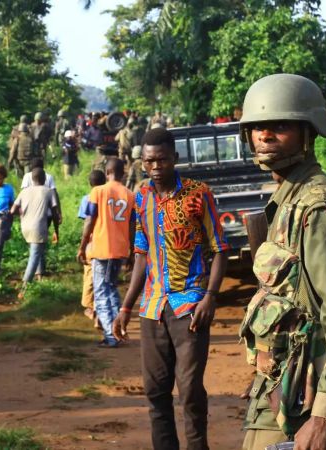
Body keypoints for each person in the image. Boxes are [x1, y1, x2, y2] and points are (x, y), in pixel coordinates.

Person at [234, 74, 326, 450]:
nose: (265, 135)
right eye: (257, 127)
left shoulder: (316, 208)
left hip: (305, 396)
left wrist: (324, 418)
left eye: (280, 125)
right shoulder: (288, 199)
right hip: (281, 386)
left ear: (308, 132)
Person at [112, 127, 229, 450]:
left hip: (189, 305)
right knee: (155, 391)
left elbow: (220, 248)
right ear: (143, 163)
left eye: (162, 160)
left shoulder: (198, 194)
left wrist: (210, 296)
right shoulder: (141, 198)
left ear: (174, 158)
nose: (156, 167)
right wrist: (125, 307)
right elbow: (141, 255)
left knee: (190, 390)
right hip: (152, 308)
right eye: (149, 162)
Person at [78, 159, 135, 348]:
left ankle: (111, 336)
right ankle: (119, 330)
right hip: (120, 249)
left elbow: (90, 220)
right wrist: (133, 250)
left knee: (101, 292)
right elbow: (133, 225)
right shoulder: (129, 195)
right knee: (111, 289)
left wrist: (83, 244)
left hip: (101, 248)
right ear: (123, 173)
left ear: (107, 171)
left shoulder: (98, 191)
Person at [11, 168, 60, 298]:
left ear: (32, 179)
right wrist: (56, 230)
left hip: (25, 226)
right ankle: (24, 288)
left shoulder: (24, 191)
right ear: (44, 179)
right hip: (38, 227)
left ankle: (39, 276)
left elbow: (12, 210)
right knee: (34, 256)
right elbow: (55, 214)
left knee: (36, 252)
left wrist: (21, 214)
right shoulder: (49, 191)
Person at [79, 170, 107, 327]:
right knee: (104, 278)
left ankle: (90, 307)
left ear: (90, 184)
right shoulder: (109, 198)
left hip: (91, 242)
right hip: (107, 242)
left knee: (89, 274)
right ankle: (98, 308)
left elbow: (87, 221)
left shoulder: (87, 199)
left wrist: (82, 245)